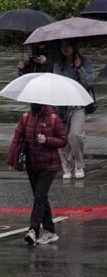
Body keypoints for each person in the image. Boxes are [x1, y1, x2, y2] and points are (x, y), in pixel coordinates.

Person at [7, 104, 67, 246]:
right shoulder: (26, 118)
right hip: (32, 164)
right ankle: (50, 231)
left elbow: (63, 140)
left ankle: (33, 230)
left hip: (49, 165)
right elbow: (17, 138)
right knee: (40, 197)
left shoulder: (53, 118)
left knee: (40, 196)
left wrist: (47, 140)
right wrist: (11, 160)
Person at [53, 39, 93, 179]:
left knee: (75, 136)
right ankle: (67, 167)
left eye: (68, 45)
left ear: (73, 46)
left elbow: (88, 83)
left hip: (79, 106)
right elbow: (56, 85)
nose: (65, 48)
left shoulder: (84, 61)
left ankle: (79, 165)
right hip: (63, 107)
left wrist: (79, 68)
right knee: (63, 138)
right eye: (62, 46)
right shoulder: (59, 65)